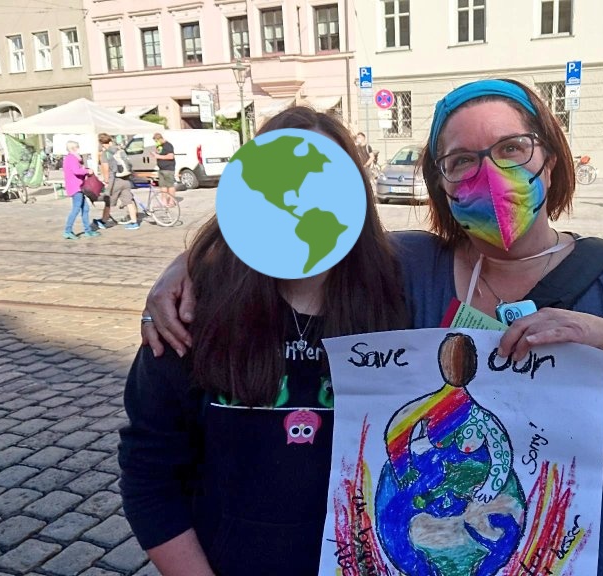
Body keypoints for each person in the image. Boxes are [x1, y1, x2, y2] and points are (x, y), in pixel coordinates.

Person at [140, 79, 603, 575]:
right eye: (461, 160)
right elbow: (298, 228)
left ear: (552, 157)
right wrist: (193, 265)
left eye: (512, 148)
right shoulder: (412, 265)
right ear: (441, 183)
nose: (490, 173)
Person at [119, 107, 411, 575]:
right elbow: (150, 475)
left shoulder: (399, 292)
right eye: (282, 186)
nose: (301, 204)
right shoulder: (191, 313)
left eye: (325, 186)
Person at [93, 133, 139, 230]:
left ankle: (103, 221)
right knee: (129, 201)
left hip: (115, 181)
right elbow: (129, 164)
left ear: (101, 143)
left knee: (108, 201)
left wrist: (106, 181)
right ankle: (134, 222)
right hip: (126, 179)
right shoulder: (120, 150)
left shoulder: (105, 154)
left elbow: (105, 169)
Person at [62, 141, 100, 240]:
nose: (78, 149)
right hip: (76, 187)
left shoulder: (70, 158)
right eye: (77, 147)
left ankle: (87, 230)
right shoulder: (72, 158)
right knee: (76, 209)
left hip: (77, 187)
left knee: (85, 208)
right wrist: (87, 171)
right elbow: (76, 171)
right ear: (73, 148)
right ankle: (67, 231)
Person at [152, 132, 177, 207]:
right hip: (161, 169)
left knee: (170, 186)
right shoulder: (159, 146)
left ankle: (171, 201)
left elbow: (171, 156)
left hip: (168, 169)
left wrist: (158, 156)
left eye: (157, 141)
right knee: (163, 186)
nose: (156, 143)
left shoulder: (168, 145)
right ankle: (164, 201)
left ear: (160, 139)